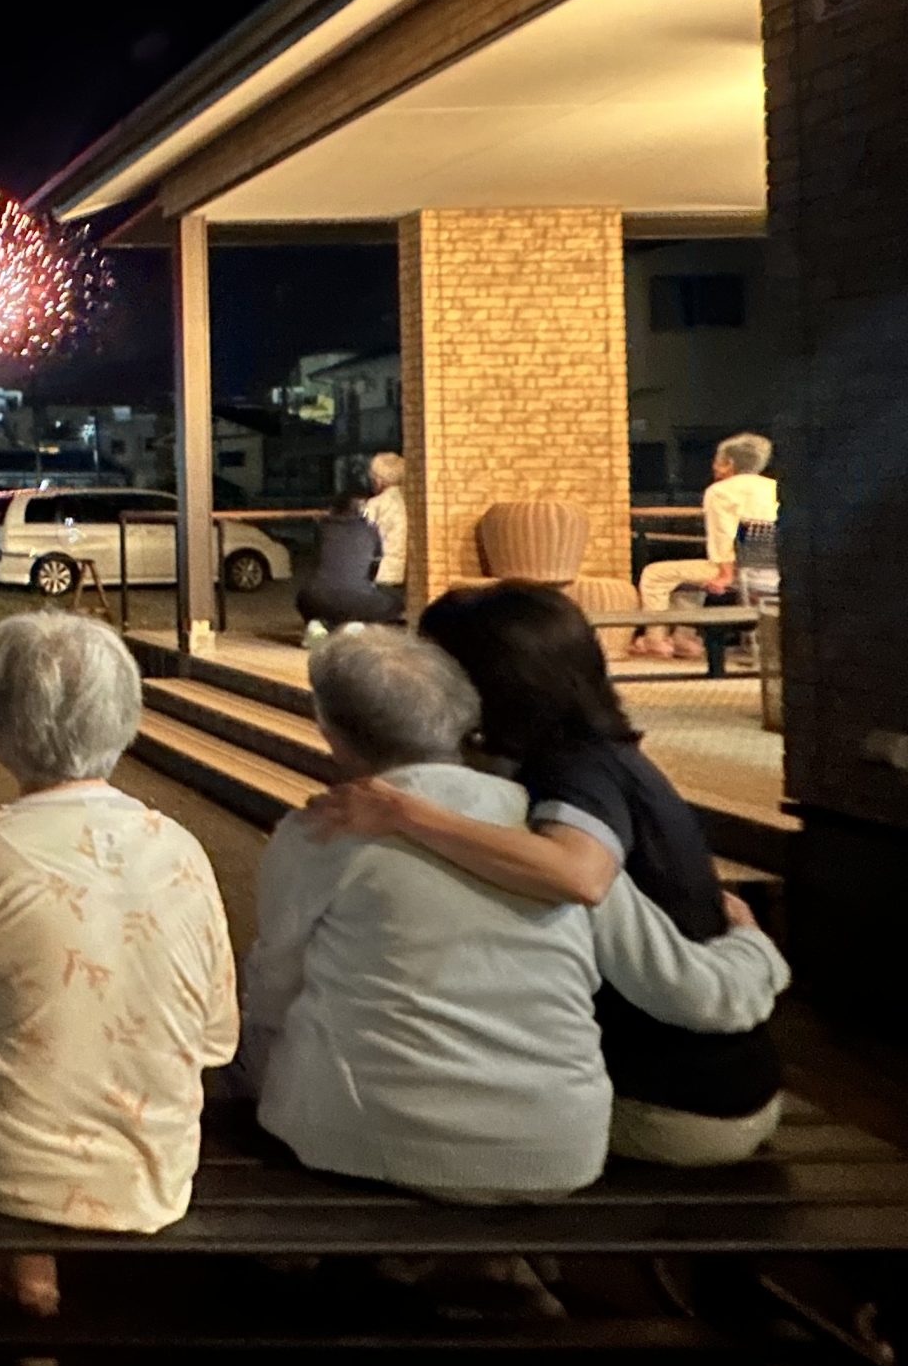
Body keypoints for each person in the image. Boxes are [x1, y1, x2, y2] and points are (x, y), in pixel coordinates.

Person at [244, 630, 789, 1202]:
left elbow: (277, 983)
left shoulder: (323, 831)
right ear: (464, 718)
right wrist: (754, 945)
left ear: (330, 733)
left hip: (357, 1141)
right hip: (556, 1153)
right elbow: (689, 990)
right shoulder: (550, 837)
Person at [0, 611, 238, 1315]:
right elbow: (217, 1038)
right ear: (126, 719)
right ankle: (35, 1277)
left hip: (3, 1164)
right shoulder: (182, 850)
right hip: (151, 1171)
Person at [636, 433, 778, 658]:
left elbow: (723, 535)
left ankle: (655, 640)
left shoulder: (720, 492)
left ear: (729, 463)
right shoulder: (773, 487)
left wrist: (725, 574)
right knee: (688, 580)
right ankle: (684, 639)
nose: (713, 466)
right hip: (775, 574)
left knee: (655, 574)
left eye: (716, 461)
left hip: (741, 573)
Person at [296, 489, 403, 635]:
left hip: (316, 598)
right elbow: (375, 565)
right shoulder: (370, 531)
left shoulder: (323, 528)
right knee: (395, 603)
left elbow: (317, 559)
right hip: (359, 599)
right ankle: (354, 626)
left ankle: (317, 626)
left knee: (303, 598)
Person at [363, 452, 409, 596]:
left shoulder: (374, 504)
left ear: (379, 480)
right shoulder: (410, 500)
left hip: (382, 573)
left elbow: (363, 535)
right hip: (406, 573)